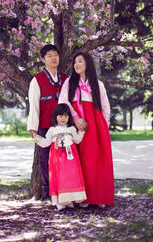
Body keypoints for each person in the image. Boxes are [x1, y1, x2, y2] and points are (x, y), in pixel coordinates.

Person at [59, 52, 114, 207]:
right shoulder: (70, 82)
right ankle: (84, 197)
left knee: (97, 160)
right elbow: (63, 101)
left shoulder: (98, 84)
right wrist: (75, 118)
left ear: (87, 63)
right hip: (77, 124)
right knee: (81, 160)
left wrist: (104, 127)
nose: (76, 64)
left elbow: (105, 108)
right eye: (75, 61)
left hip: (96, 125)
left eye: (80, 61)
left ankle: (99, 196)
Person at [27, 44, 68, 199]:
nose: (53, 58)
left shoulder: (66, 78)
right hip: (44, 125)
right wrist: (33, 127)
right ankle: (49, 191)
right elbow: (34, 105)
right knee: (46, 159)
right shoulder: (37, 80)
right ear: (43, 59)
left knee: (65, 158)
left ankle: (66, 190)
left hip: (64, 126)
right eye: (49, 55)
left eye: (55, 54)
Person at [34, 103, 87, 211]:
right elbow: (45, 143)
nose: (63, 118)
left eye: (66, 116)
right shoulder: (52, 130)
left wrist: (82, 131)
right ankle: (60, 202)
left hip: (70, 159)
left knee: (70, 177)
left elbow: (77, 140)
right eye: (60, 116)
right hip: (57, 159)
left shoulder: (71, 129)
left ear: (69, 117)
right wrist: (36, 136)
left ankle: (69, 200)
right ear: (55, 117)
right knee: (59, 177)